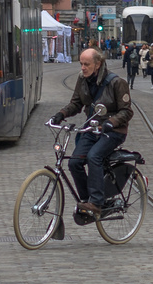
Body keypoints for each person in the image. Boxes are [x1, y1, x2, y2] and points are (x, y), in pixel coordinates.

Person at [49, 49, 135, 216]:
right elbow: (75, 103)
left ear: (98, 64)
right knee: (74, 162)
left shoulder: (117, 82)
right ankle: (87, 201)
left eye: (86, 64)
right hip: (92, 128)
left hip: (113, 131)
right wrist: (61, 114)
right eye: (81, 64)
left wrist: (112, 122)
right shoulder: (82, 80)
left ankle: (96, 202)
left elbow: (127, 112)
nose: (82, 68)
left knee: (94, 156)